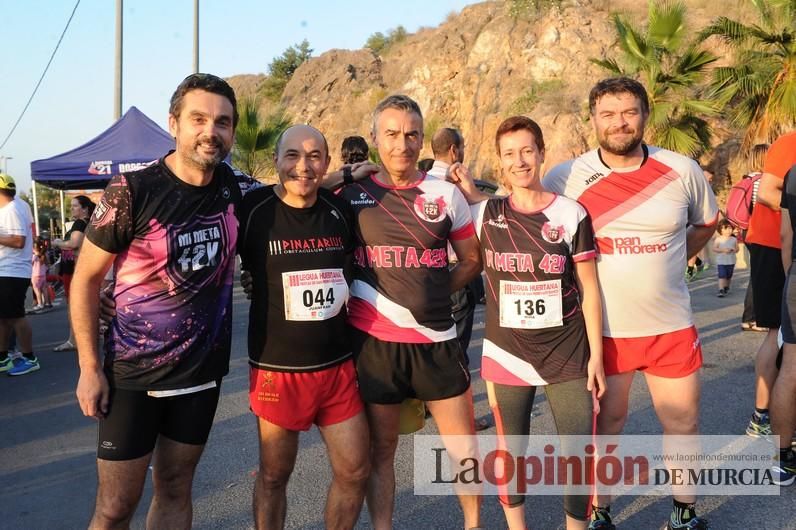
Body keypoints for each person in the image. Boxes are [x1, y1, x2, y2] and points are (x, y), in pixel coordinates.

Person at [543, 77, 718, 530]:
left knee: (683, 422)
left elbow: (705, 224)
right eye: (608, 114)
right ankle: (600, 511)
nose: (619, 123)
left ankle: (684, 513)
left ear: (645, 115)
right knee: (609, 426)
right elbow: (525, 215)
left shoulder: (682, 169)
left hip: (671, 325)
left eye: (629, 112)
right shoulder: (565, 176)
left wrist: (673, 257)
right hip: (604, 332)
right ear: (593, 120)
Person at [71, 73, 243, 529]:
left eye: (222, 122)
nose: (211, 131)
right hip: (133, 376)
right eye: (199, 119)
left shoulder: (233, 187)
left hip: (201, 374)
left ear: (232, 133)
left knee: (175, 489)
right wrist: (89, 368)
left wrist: (349, 173)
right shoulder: (131, 191)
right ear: (174, 123)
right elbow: (86, 280)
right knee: (115, 507)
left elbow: (295, 184)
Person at [450, 116, 606, 530]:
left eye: (526, 151)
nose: (520, 161)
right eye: (509, 154)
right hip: (507, 354)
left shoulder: (571, 214)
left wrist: (598, 358)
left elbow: (589, 289)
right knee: (511, 449)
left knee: (577, 451)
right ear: (500, 164)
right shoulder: (483, 214)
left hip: (569, 352)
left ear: (540, 154)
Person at [337, 95, 483, 529]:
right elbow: (296, 194)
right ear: (376, 138)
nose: (402, 144)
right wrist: (342, 174)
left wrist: (439, 290)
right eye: (392, 134)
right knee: (382, 451)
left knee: (464, 449)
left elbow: (471, 259)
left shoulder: (445, 194)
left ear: (422, 139)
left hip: (437, 341)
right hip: (376, 344)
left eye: (412, 134)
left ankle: (474, 525)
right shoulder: (351, 195)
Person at [239, 124, 372, 529]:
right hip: (279, 372)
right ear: (276, 160)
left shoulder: (338, 211)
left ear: (327, 162)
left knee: (354, 472)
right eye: (293, 155)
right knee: (275, 476)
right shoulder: (253, 210)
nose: (303, 165)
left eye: (315, 156)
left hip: (336, 367)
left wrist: (347, 177)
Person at [428, 126, 490, 431]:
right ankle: (462, 416)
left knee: (436, 344)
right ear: (454, 151)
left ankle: (431, 405)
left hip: (429, 273)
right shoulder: (456, 187)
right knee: (458, 350)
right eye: (461, 147)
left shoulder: (423, 183)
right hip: (457, 272)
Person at [743, 130, 796, 439]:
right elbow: (765, 191)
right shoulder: (789, 142)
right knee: (779, 332)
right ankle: (761, 416)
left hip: (785, 243)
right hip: (774, 243)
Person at [0, 173, 39, 376]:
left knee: (15, 316)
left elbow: (18, 241)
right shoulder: (21, 204)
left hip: (11, 270)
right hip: (11, 269)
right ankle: (3, 357)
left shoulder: (11, 210)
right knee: (4, 317)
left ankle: (29, 358)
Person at [772, 163, 796, 486]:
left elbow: (785, 234)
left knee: (790, 367)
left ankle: (782, 459)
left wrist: (790, 275)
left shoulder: (793, 172)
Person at [52, 194, 95, 351]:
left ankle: (73, 340)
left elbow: (73, 244)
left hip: (74, 270)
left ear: (84, 209)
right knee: (83, 304)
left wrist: (57, 243)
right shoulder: (88, 223)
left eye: (75, 206)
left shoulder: (79, 223)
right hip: (78, 267)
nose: (72, 208)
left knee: (74, 306)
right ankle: (80, 338)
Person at [740, 144, 770, 331]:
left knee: (756, 274)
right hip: (759, 232)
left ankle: (751, 317)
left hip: (748, 231)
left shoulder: (748, 179)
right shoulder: (761, 181)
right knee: (759, 276)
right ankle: (752, 318)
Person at [712, 220, 738, 297]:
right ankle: (721, 290)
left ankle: (726, 286)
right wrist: (723, 250)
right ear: (720, 230)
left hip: (731, 261)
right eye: (725, 228)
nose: (728, 230)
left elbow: (737, 248)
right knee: (722, 275)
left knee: (729, 276)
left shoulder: (734, 239)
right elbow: (714, 248)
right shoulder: (718, 239)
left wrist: (734, 250)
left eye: (730, 228)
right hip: (721, 262)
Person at [30, 237, 51, 311]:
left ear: (34, 248)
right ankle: (47, 303)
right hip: (43, 274)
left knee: (37, 290)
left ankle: (40, 304)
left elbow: (30, 263)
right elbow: (47, 264)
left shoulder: (34, 256)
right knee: (44, 289)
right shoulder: (44, 255)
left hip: (35, 275)